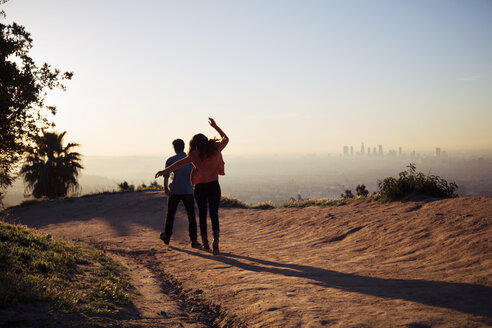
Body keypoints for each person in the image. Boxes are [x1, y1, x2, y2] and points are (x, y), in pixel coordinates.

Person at [155, 118, 228, 255]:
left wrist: (164, 172)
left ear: (193, 144)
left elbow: (179, 164)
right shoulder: (216, 149)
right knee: (214, 214)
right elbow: (225, 139)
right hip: (214, 185)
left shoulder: (195, 155)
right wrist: (216, 127)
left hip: (200, 187)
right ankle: (216, 238)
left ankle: (205, 243)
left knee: (201, 214)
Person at [160, 139, 202, 249]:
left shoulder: (171, 160)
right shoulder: (191, 159)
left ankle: (167, 236)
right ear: (184, 147)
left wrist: (165, 188)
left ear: (174, 147)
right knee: (191, 216)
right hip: (188, 191)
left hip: (175, 191)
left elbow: (166, 176)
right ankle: (194, 240)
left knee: (171, 214)